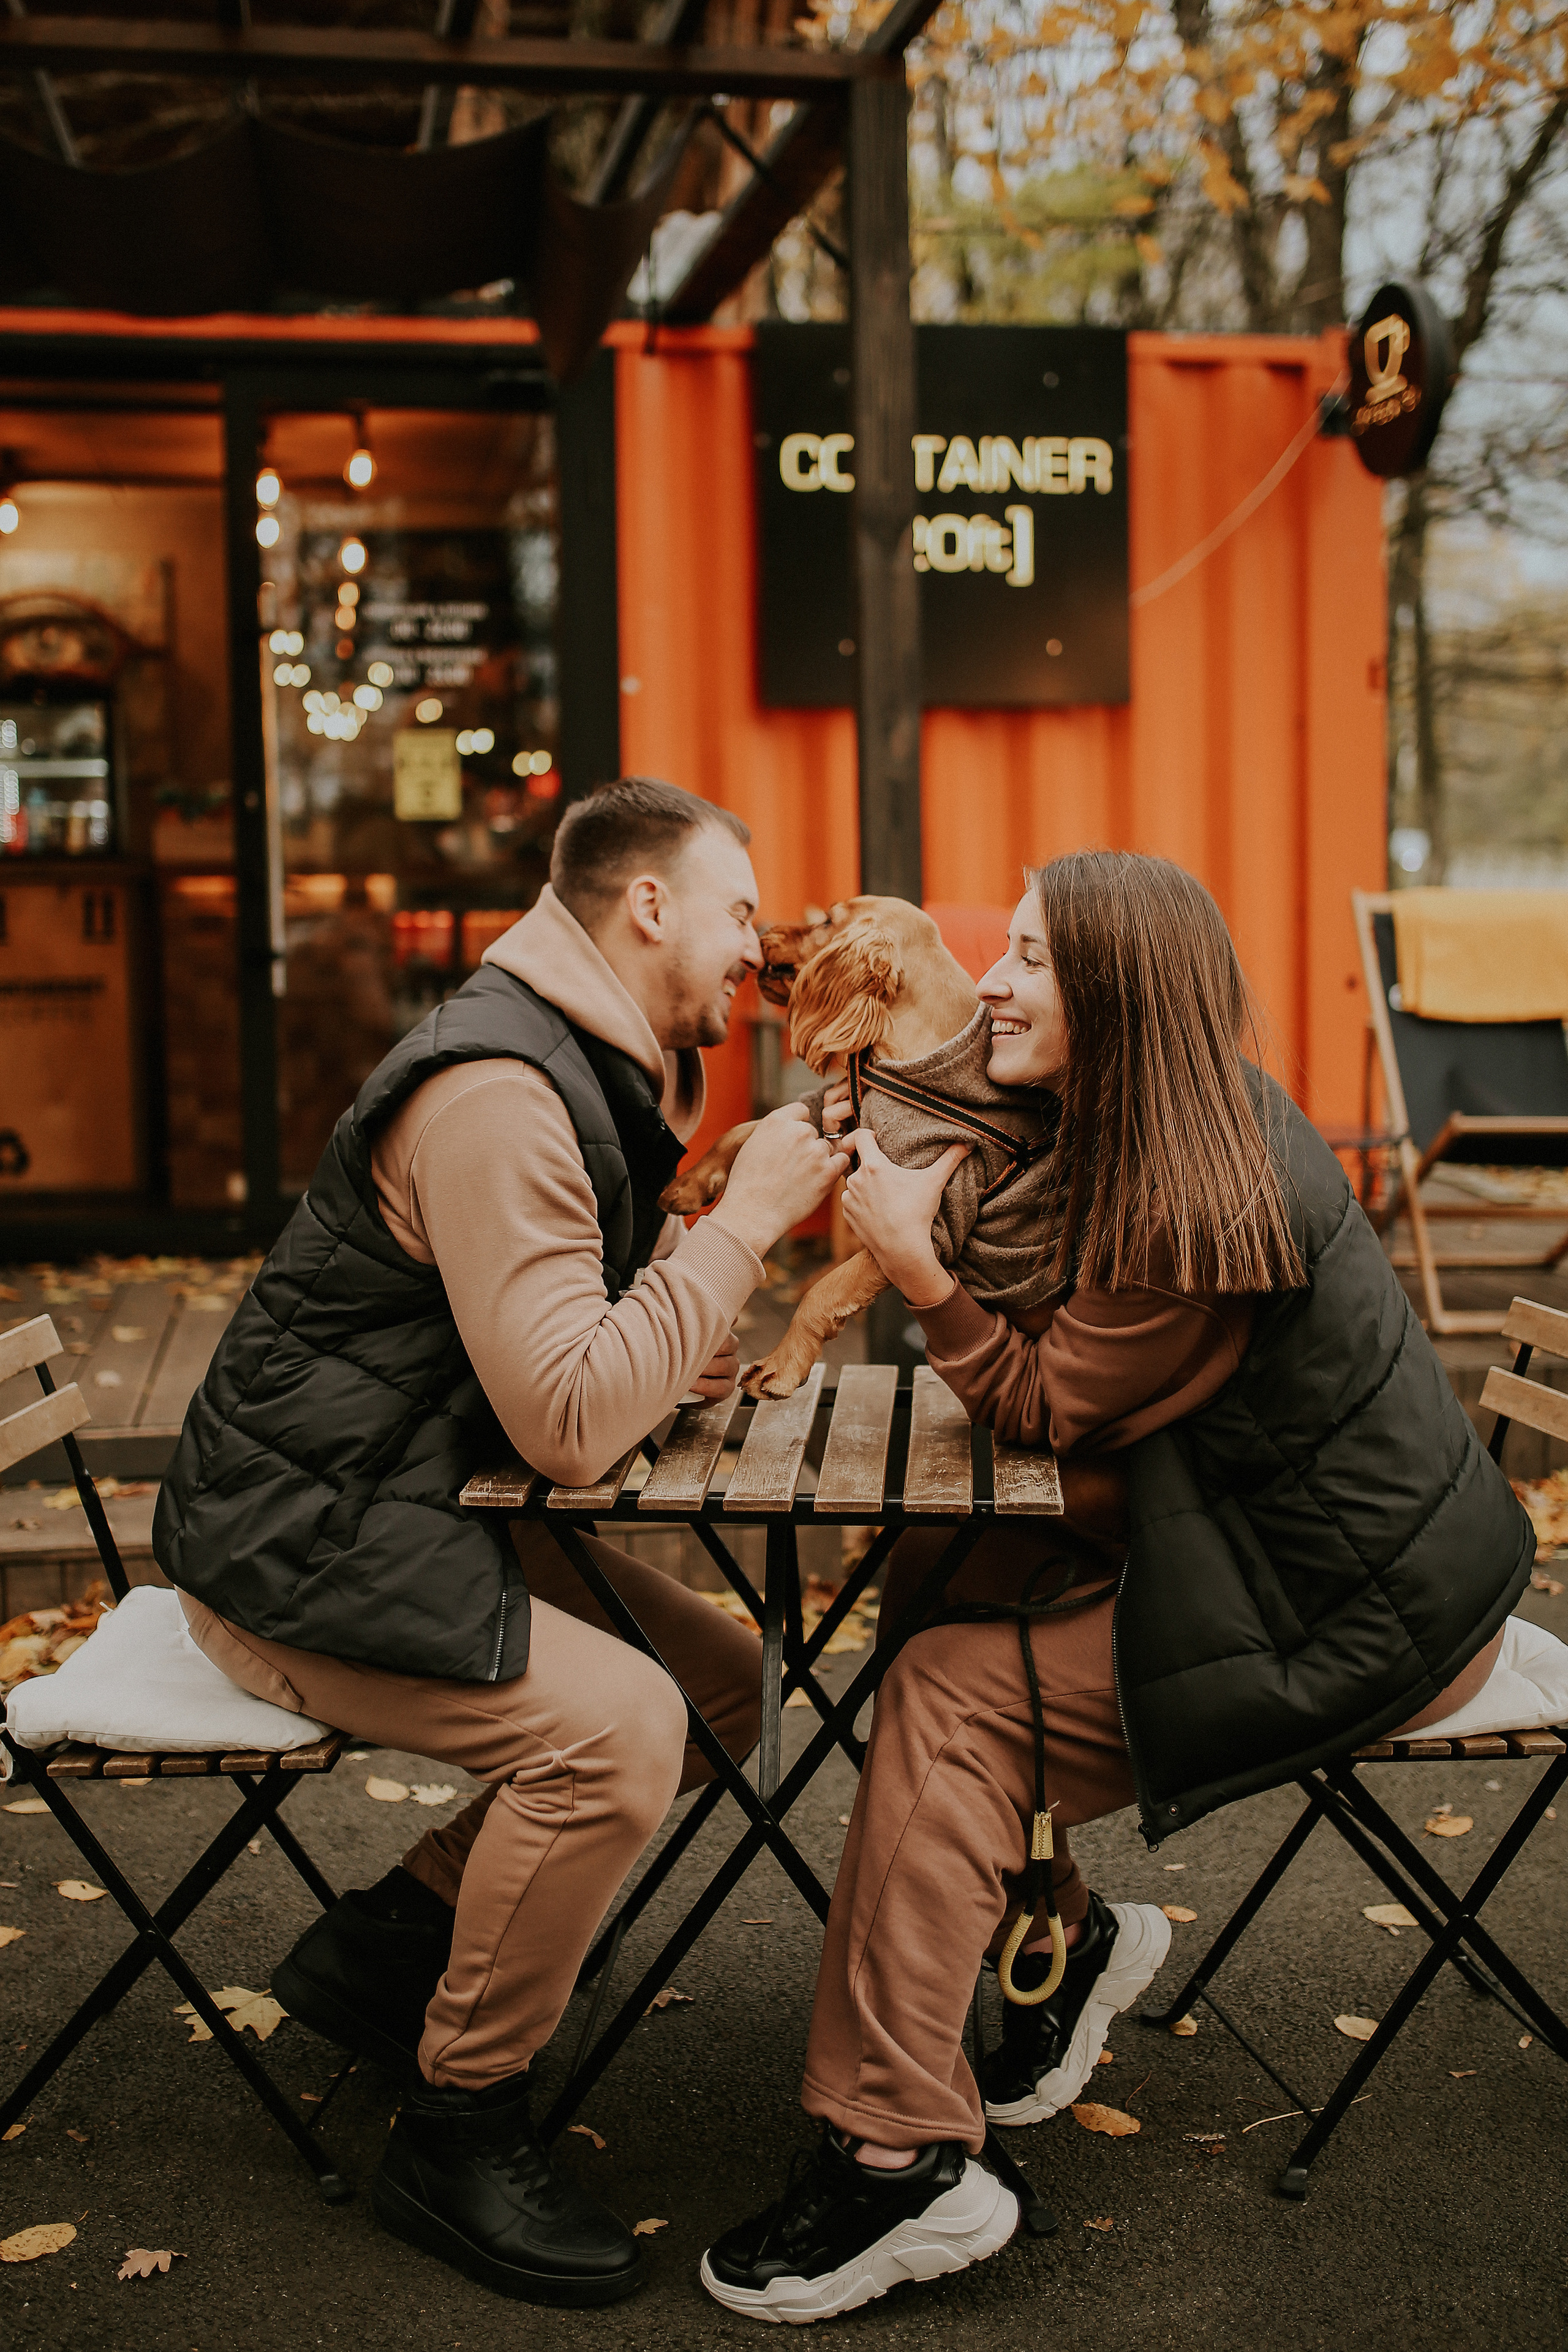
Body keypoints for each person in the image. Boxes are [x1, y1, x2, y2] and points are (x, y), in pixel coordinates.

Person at [700, 849, 1534, 2325]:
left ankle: (897, 2164)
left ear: (1119, 995)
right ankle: (1066, 1939)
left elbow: (1038, 1402)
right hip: (1252, 1529)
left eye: (1027, 960)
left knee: (954, 1702)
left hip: (1349, 1606)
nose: (994, 979)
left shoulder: (1195, 1196)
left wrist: (914, 1269)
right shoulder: (1143, 1118)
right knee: (941, 1575)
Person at [153, 778, 849, 2308]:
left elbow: (557, 1354)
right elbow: (568, 1423)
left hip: (395, 1491)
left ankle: (389, 1956)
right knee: (617, 1735)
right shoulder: (501, 1093)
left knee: (724, 1681)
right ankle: (458, 2122)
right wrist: (741, 1240)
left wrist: (679, 1319)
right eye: (740, 910)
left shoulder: (576, 1062)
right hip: (294, 1542)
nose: (758, 947)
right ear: (646, 906)